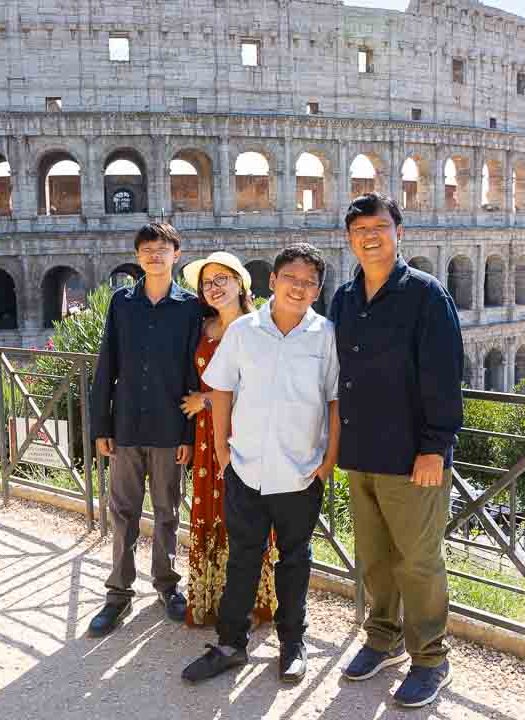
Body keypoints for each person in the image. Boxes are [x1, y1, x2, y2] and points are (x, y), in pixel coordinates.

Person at [182, 243, 340, 685]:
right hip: (246, 467)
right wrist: (223, 452)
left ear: (317, 290)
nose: (299, 287)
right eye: (291, 278)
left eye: (309, 282)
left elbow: (333, 399)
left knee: (295, 560)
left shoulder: (325, 334)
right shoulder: (244, 331)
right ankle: (231, 644)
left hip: (300, 470)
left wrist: (328, 460)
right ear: (272, 281)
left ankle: (293, 643)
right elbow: (222, 391)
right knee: (244, 558)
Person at [329, 193, 464, 708]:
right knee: (375, 559)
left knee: (419, 560)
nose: (370, 235)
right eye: (360, 228)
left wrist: (436, 446)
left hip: (413, 456)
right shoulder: (344, 297)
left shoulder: (426, 295)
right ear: (349, 238)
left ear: (398, 232)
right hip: (362, 450)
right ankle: (381, 638)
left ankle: (431, 658)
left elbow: (445, 374)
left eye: (380, 226)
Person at [88, 222, 201, 637]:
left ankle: (168, 587)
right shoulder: (122, 302)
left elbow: (195, 373)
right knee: (122, 514)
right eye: (147, 249)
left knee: (168, 512)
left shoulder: (191, 308)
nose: (154, 255)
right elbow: (107, 365)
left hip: (172, 427)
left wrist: (189, 435)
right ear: (138, 256)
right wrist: (101, 424)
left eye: (162, 248)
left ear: (177, 254)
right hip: (127, 427)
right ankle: (117, 594)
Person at [178, 252, 276, 628]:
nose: (214, 287)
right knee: (212, 509)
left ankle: (249, 601)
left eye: (222, 279)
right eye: (207, 282)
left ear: (240, 283)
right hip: (207, 436)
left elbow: (262, 385)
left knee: (247, 516)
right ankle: (215, 597)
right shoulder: (205, 328)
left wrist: (204, 399)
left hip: (246, 434)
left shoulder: (259, 328)